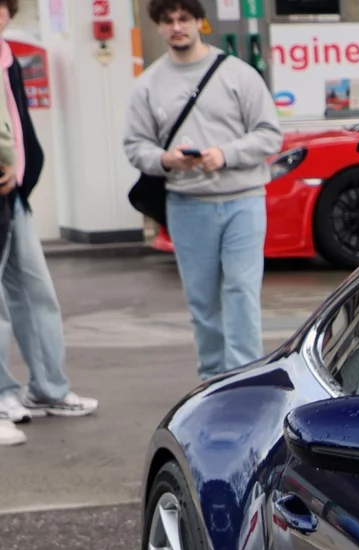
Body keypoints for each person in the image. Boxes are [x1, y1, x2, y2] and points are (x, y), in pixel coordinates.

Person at [122, 0, 280, 379]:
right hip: (187, 204)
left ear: (199, 23)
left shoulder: (238, 75)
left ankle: (243, 381)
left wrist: (223, 154)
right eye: (168, 20)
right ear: (159, 26)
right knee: (203, 303)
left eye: (184, 19)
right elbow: (135, 146)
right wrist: (166, 160)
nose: (177, 27)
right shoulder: (147, 85)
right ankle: (211, 382)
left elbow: (270, 135)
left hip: (244, 200)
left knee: (242, 293)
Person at [0, 0, 97, 434]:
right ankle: (3, 395)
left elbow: (19, 127)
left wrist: (22, 175)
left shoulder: (7, 57)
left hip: (14, 195)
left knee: (37, 292)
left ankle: (49, 388)